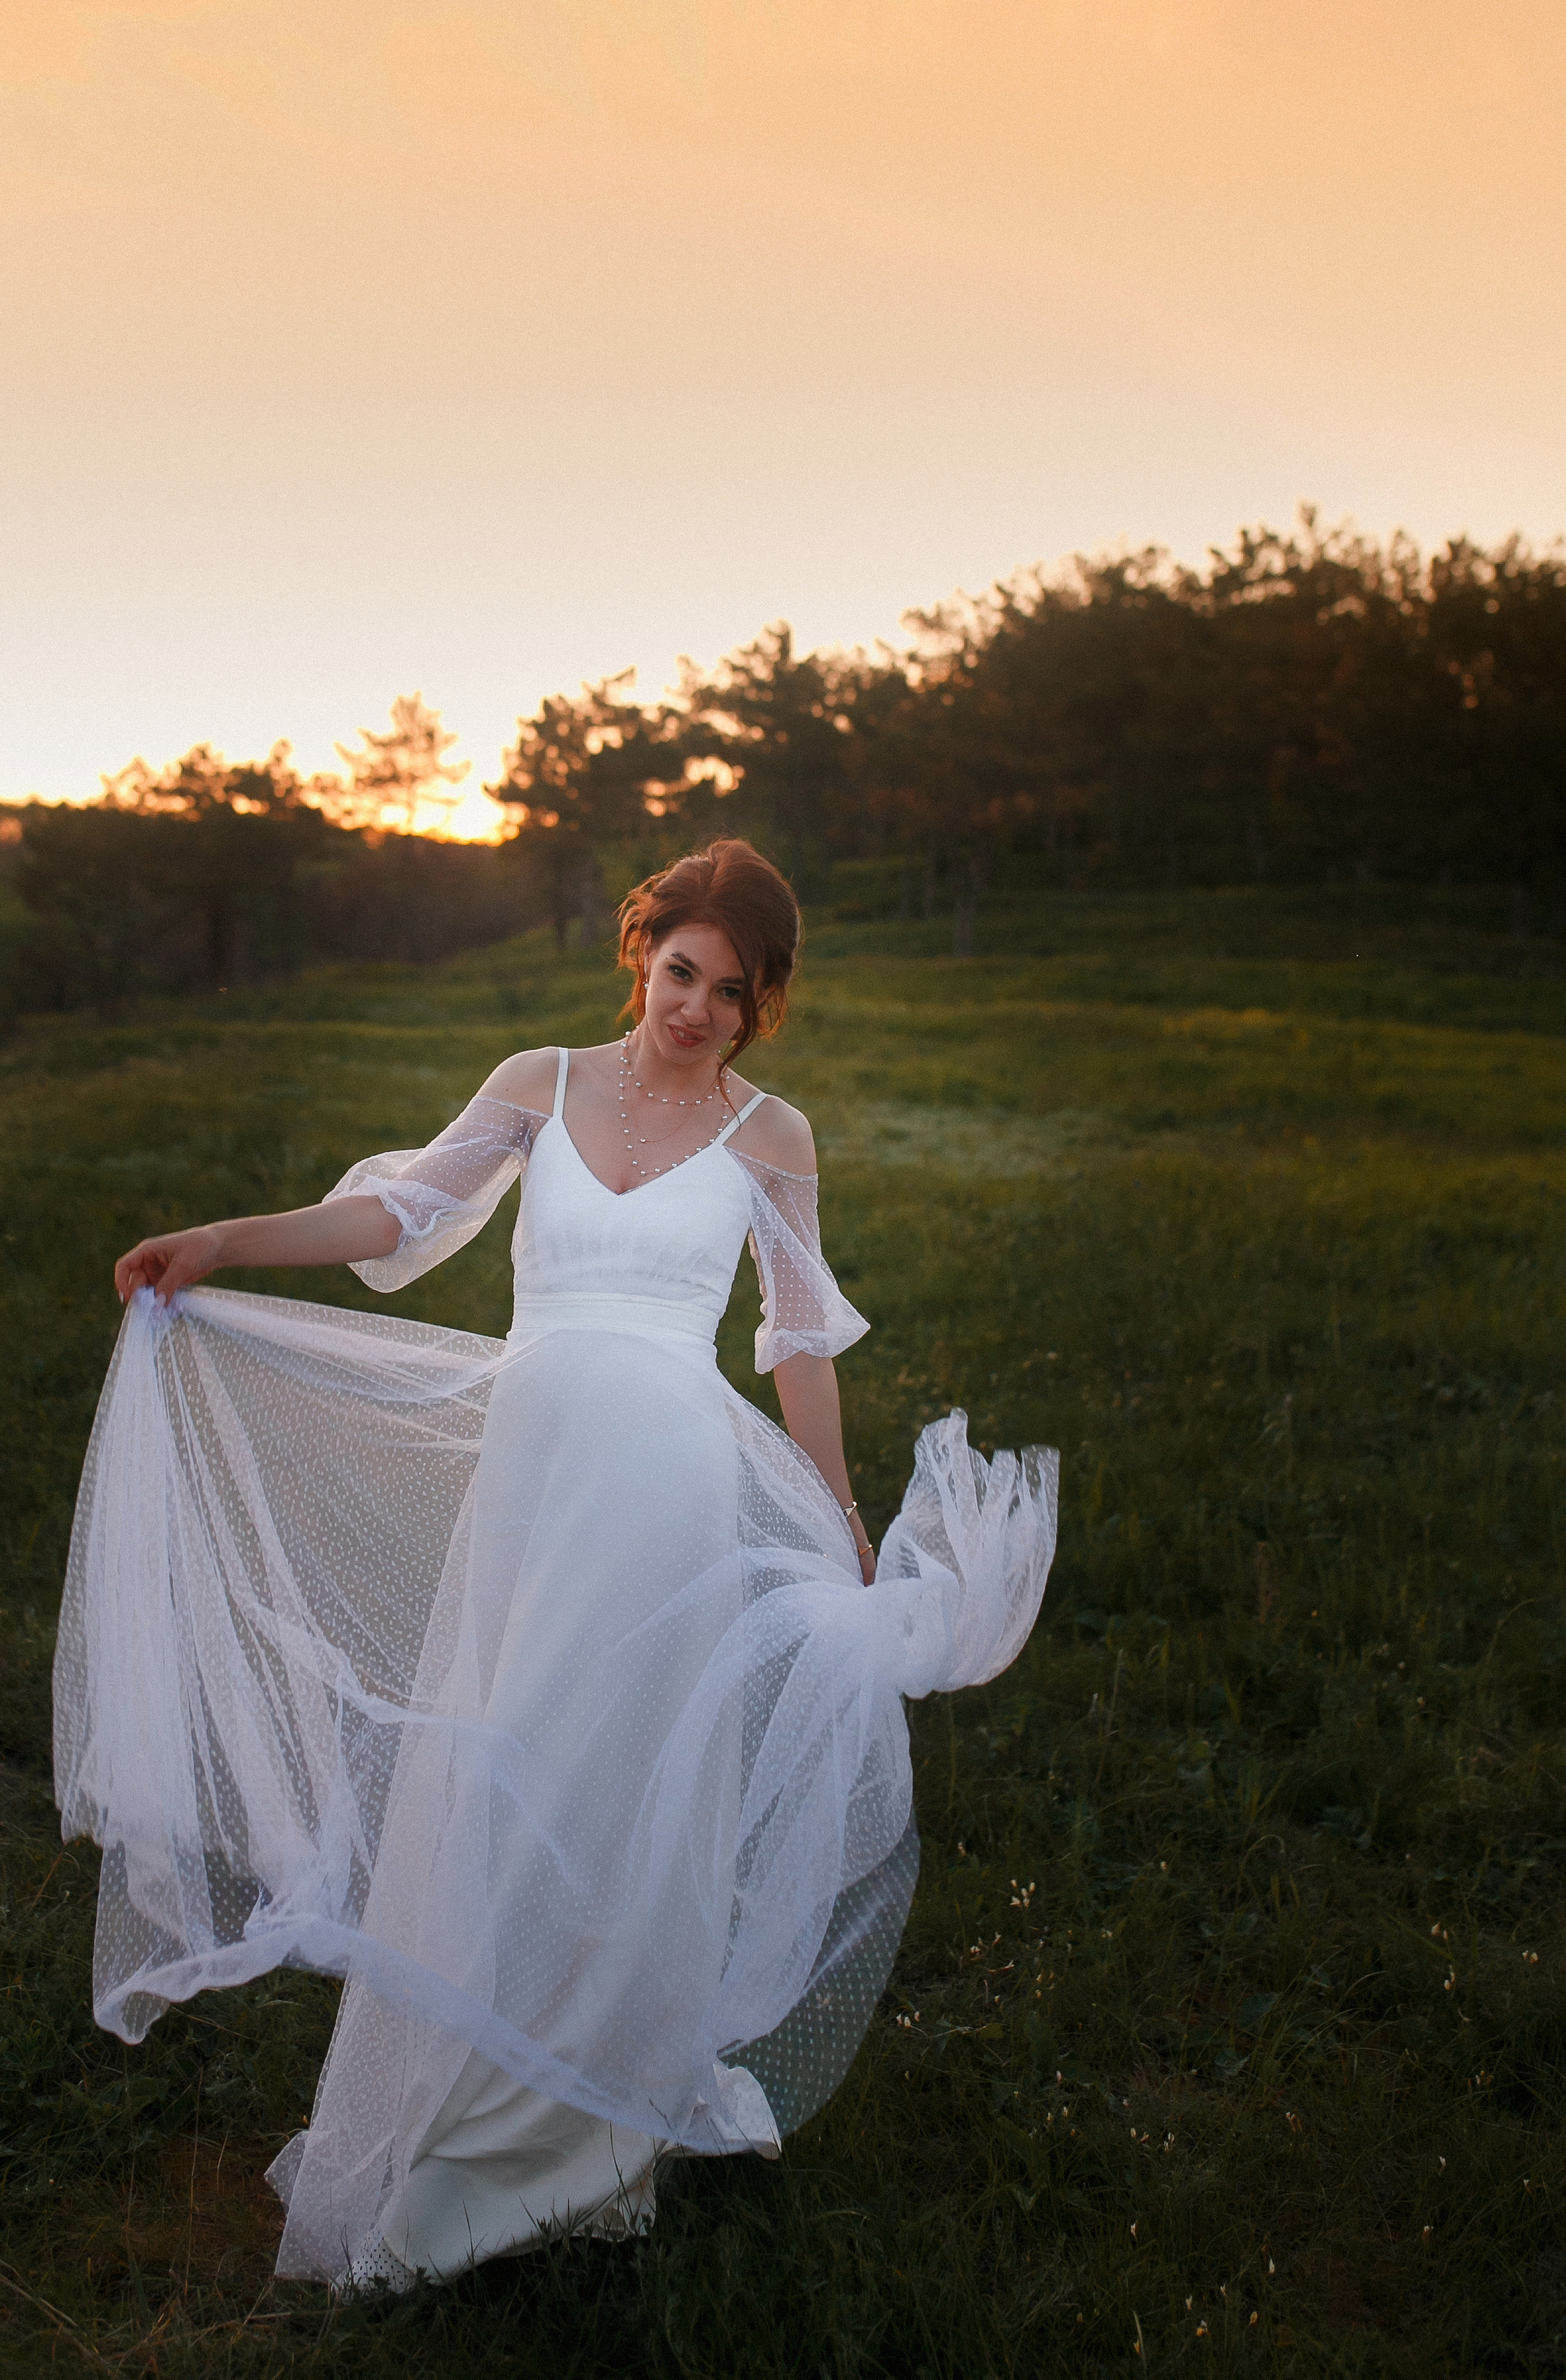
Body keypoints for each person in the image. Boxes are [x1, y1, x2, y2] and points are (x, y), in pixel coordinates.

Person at [53, 837, 1056, 2291]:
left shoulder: (769, 1137)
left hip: (663, 1481)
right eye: (678, 972)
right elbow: (398, 1215)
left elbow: (790, 1339)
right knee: (505, 1762)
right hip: (533, 1473)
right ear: (640, 958)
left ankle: (591, 2129)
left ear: (762, 1000)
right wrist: (223, 1239)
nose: (694, 1007)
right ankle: (466, 2113)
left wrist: (834, 1508)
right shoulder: (541, 1079)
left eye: (729, 988)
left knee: (626, 1778)